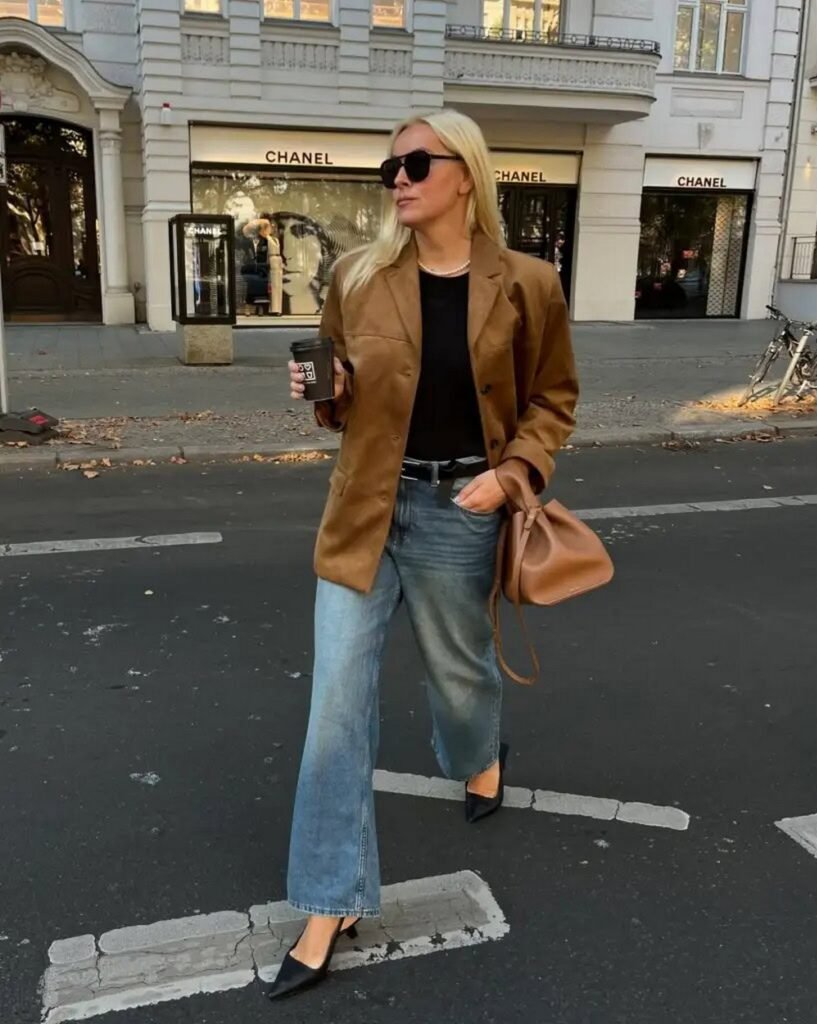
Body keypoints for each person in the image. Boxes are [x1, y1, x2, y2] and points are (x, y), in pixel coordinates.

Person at [270, 108, 578, 1000]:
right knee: (334, 707)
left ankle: (481, 753)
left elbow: (553, 397)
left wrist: (513, 471)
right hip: (366, 508)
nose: (397, 179)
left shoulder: (527, 283)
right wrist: (321, 395)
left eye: (414, 163)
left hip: (460, 509)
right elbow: (344, 409)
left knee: (459, 675)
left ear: (464, 174)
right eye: (389, 168)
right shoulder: (357, 278)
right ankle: (331, 901)